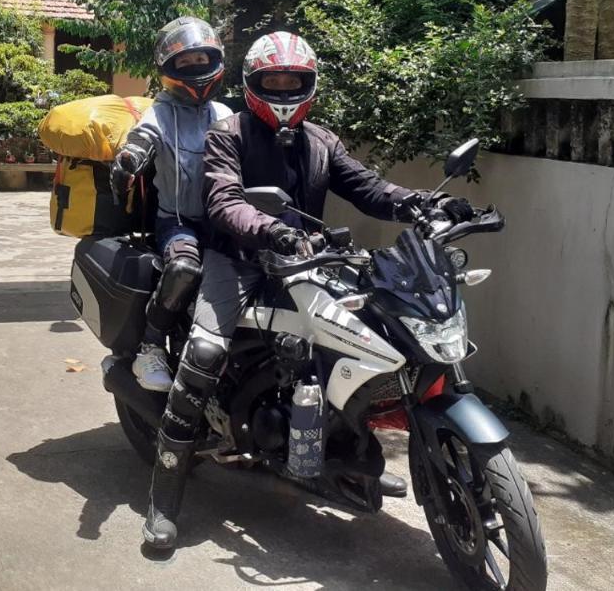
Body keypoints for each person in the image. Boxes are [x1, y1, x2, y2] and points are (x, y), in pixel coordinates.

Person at [142, 31, 475, 550]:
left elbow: (367, 187)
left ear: (309, 84)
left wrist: (422, 204)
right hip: (238, 260)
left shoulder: (321, 140)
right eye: (272, 80)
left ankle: (352, 458)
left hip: (308, 261)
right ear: (253, 84)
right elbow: (225, 202)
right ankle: (164, 497)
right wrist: (270, 229)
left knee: (359, 343)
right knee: (204, 354)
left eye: (292, 81)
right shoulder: (228, 134)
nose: (282, 89)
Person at [110, 17, 232, 393]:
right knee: (183, 268)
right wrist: (130, 157)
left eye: (201, 61)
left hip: (224, 219)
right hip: (177, 221)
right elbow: (141, 139)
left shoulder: (224, 114)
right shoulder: (160, 113)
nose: (196, 69)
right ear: (168, 69)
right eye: (185, 63)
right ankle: (150, 346)